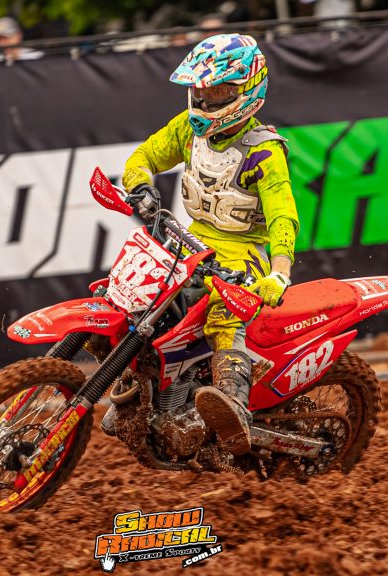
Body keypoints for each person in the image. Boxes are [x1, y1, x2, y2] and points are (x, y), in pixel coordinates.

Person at [121, 33, 299, 456]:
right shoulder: (187, 129)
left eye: (217, 92)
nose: (204, 101)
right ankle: (144, 384)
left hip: (244, 253)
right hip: (192, 237)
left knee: (222, 313)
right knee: (139, 291)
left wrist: (280, 272)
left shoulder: (264, 153)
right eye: (199, 91)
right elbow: (143, 156)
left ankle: (234, 406)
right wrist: (140, 186)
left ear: (247, 91)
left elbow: (283, 217)